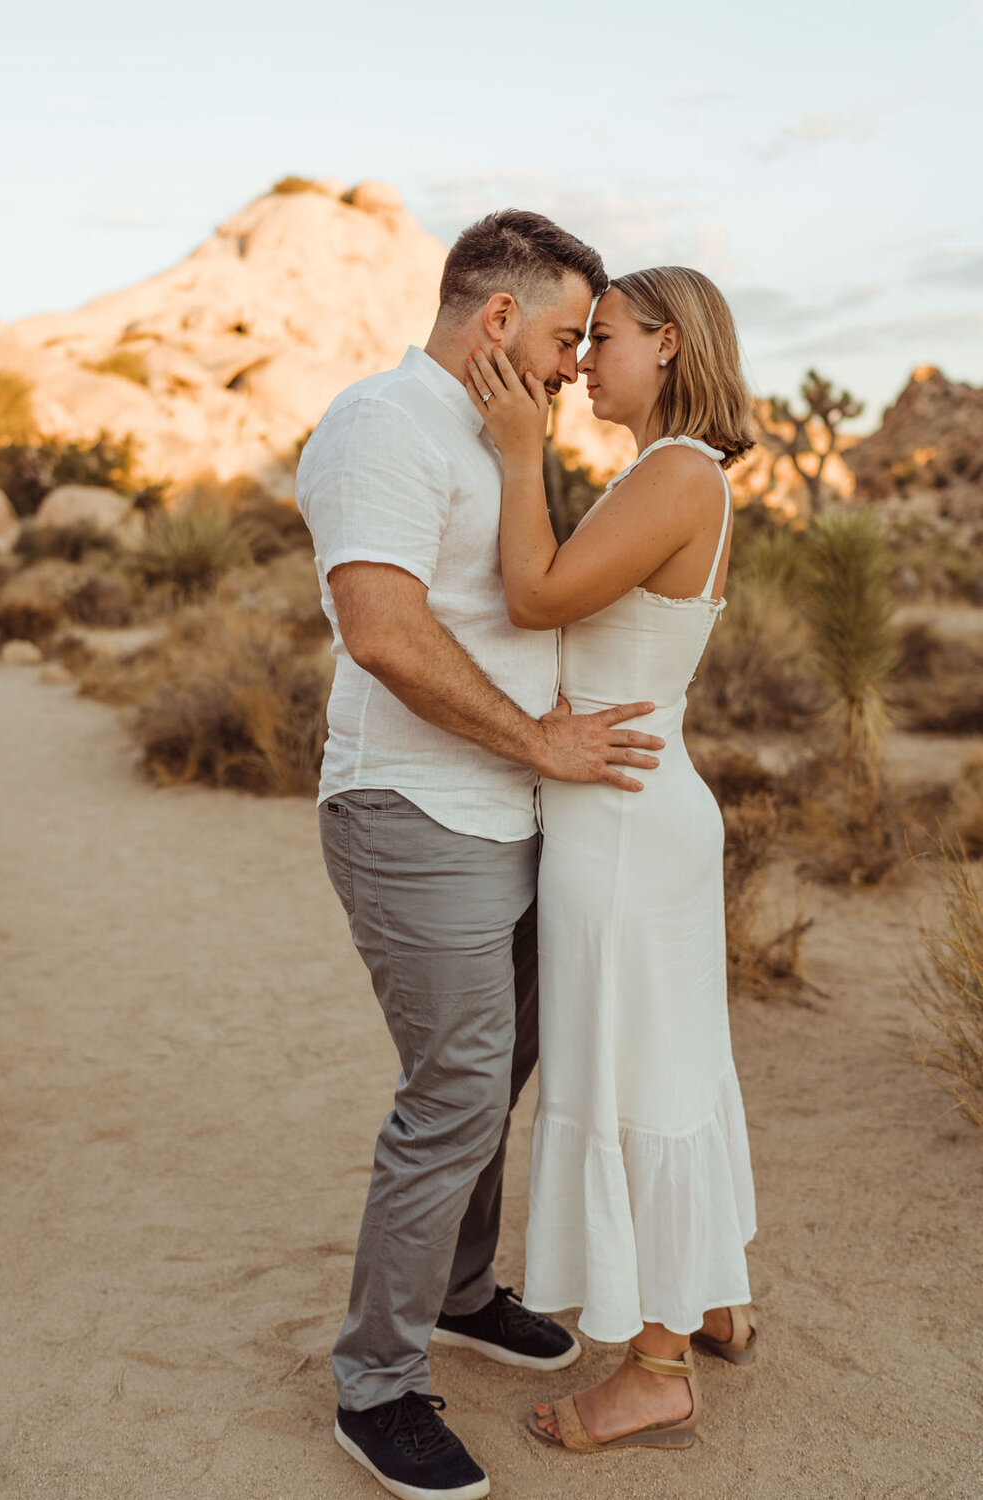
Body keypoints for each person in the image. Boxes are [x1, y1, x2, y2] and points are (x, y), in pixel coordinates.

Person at [295, 211, 665, 1500]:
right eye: (567, 334)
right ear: (496, 317)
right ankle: (375, 1387)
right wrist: (540, 742)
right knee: (450, 1095)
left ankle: (458, 1291)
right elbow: (385, 631)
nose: (574, 363)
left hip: (510, 810)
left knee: (490, 1081)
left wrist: (541, 759)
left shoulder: (499, 433)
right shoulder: (381, 425)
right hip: (414, 811)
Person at [463, 264, 758, 1456]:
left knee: (634, 1078)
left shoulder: (677, 472)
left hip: (626, 827)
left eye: (606, 338)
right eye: (576, 343)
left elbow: (534, 596)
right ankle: (712, 1298)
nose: (582, 359)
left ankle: (655, 1367)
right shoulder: (666, 473)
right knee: (673, 1063)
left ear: (672, 345)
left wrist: (519, 444)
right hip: (632, 814)